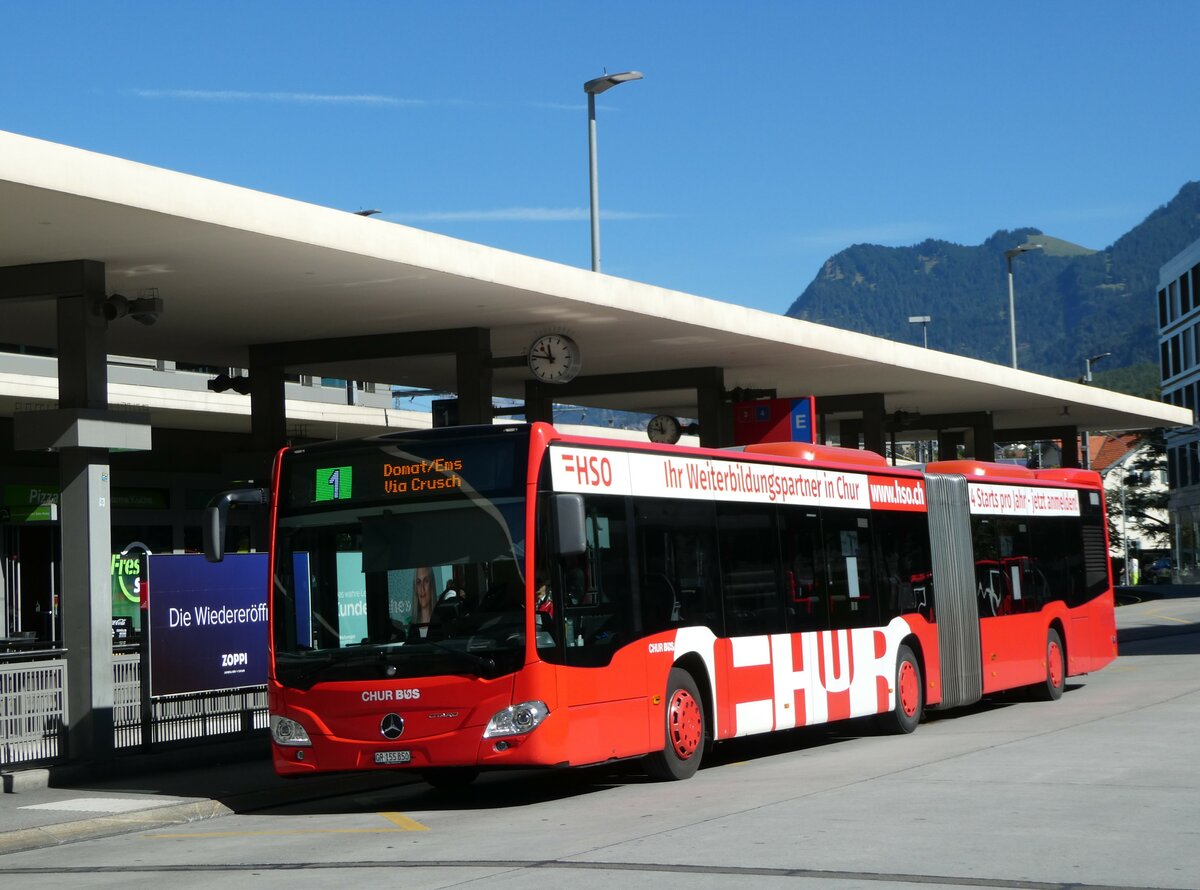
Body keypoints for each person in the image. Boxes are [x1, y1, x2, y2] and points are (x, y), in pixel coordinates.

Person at [410, 566, 435, 637]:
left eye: (426, 581)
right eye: (418, 582)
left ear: (432, 585)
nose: (422, 588)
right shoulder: (410, 625)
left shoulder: (441, 623)